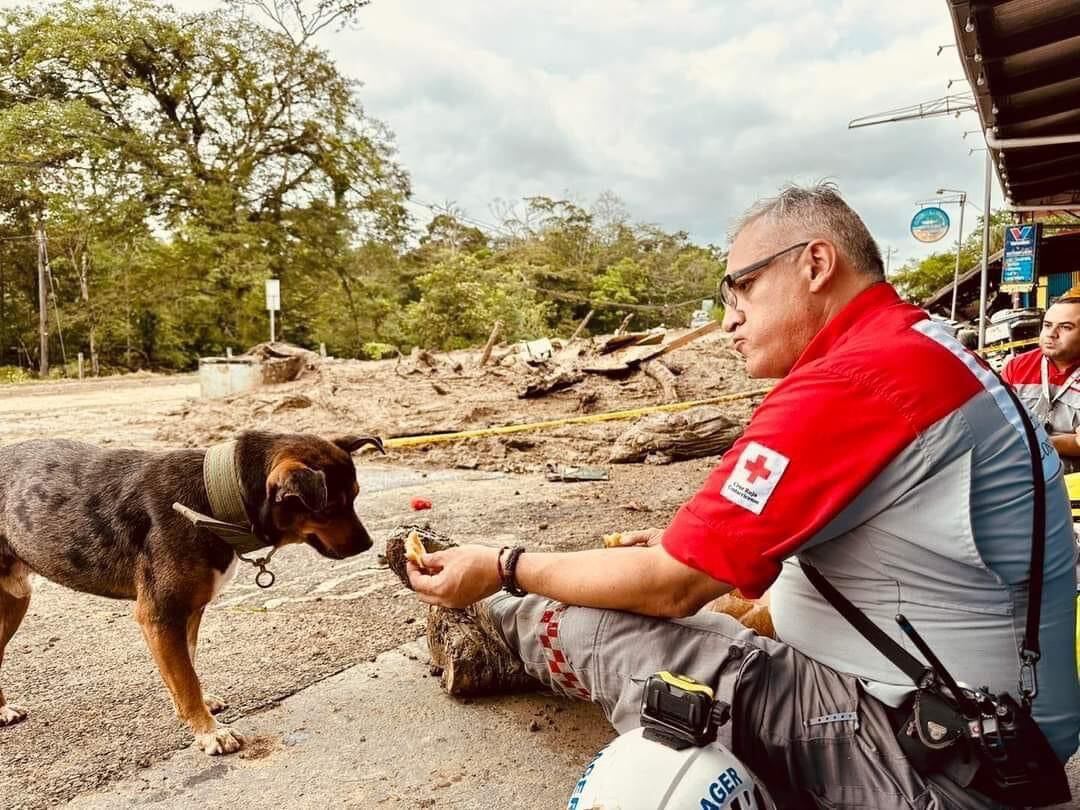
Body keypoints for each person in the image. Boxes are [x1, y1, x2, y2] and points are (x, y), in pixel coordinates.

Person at [407, 184, 1080, 809]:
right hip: (986, 735)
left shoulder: (857, 379)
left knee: (600, 623)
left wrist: (503, 562)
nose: (730, 321)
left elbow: (669, 586)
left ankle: (494, 623)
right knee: (689, 606)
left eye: (743, 290)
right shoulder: (913, 346)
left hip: (933, 763)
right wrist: (688, 556)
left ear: (816, 264)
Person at [1002, 292, 1080, 473]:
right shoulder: (1016, 367)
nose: (1052, 334)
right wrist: (1066, 440)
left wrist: (1034, 442)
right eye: (1047, 325)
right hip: (1023, 476)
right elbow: (1000, 427)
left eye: (1066, 327)